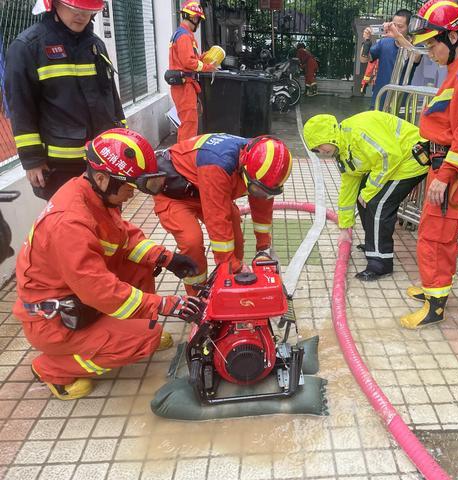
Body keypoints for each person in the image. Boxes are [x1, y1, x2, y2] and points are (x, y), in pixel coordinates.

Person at [13, 129, 204, 400]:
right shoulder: (70, 223)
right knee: (147, 339)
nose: (132, 195)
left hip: (75, 295)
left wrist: (166, 258)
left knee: (141, 265)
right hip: (55, 321)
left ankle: (133, 328)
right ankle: (51, 368)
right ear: (102, 178)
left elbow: (123, 238)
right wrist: (162, 305)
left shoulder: (91, 193)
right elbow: (99, 290)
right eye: (129, 187)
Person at [400, 0, 458, 328]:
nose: (430, 51)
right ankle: (433, 289)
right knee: (437, 233)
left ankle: (435, 306)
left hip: (451, 172)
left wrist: (445, 175)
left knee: (434, 236)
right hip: (443, 165)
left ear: (452, 37)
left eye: (432, 43)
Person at [5, 0, 126, 200]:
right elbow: (21, 109)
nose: (80, 15)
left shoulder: (96, 46)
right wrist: (33, 160)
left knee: (108, 221)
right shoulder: (27, 48)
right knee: (72, 224)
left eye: (86, 10)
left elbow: (111, 96)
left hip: (103, 159)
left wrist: (122, 138)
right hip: (61, 166)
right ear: (53, 4)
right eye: (74, 8)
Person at [153, 134, 293, 294]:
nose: (260, 194)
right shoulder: (218, 163)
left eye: (266, 192)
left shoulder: (264, 173)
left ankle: (231, 286)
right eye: (256, 190)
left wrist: (264, 247)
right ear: (244, 166)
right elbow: (217, 219)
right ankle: (197, 297)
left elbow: (262, 208)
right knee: (192, 241)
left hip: (206, 189)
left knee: (236, 241)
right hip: (176, 194)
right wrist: (232, 264)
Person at [303, 111, 428, 280]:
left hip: (412, 157)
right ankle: (373, 245)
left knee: (378, 204)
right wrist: (344, 228)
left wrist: (369, 192)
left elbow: (389, 157)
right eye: (316, 150)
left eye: (320, 145)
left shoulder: (356, 134)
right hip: (397, 161)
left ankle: (381, 263)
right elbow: (348, 189)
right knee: (363, 196)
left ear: (330, 136)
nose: (320, 151)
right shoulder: (343, 151)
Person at [169, 1, 215, 142]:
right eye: (198, 20)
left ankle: (184, 155)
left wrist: (203, 58)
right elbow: (188, 62)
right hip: (184, 86)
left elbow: (189, 58)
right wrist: (207, 67)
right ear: (194, 18)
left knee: (189, 123)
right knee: (188, 125)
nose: (199, 23)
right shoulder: (184, 36)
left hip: (185, 85)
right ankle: (183, 158)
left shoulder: (183, 34)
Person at [367, 9, 419, 109]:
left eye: (400, 26)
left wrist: (397, 35)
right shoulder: (384, 42)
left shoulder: (415, 45)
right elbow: (365, 59)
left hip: (400, 103)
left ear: (409, 27)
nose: (396, 29)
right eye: (394, 26)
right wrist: (366, 41)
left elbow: (415, 57)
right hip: (379, 100)